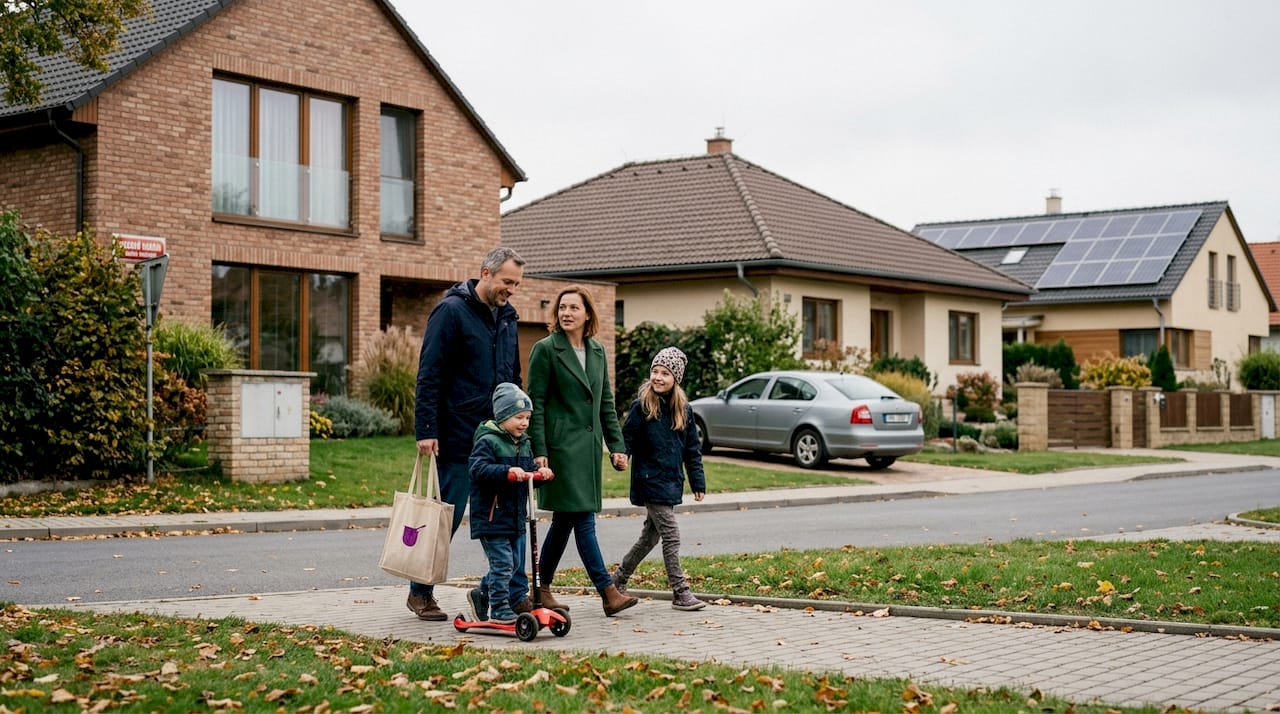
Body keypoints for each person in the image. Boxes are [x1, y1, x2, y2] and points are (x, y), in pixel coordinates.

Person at [410, 246, 529, 621]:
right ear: (486, 273)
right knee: (445, 518)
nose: (511, 289)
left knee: (509, 518)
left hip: (500, 438)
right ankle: (420, 592)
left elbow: (513, 378)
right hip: (459, 436)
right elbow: (429, 373)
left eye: (516, 284)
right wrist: (426, 429)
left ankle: (507, 594)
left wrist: (520, 427)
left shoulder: (508, 317)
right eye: (507, 281)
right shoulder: (451, 311)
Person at [527, 285, 639, 617]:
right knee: (584, 519)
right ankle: (608, 591)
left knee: (564, 522)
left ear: (587, 314)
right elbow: (536, 403)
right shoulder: (546, 350)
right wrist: (539, 449)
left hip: (588, 452)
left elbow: (605, 403)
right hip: (561, 449)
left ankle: (541, 589)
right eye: (562, 308)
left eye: (574, 308)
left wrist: (617, 446)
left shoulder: (597, 351)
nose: (567, 313)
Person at [612, 347, 708, 611]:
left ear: (675, 378)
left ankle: (617, 580)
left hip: (671, 481)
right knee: (671, 535)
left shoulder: (684, 410)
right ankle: (680, 591)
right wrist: (621, 456)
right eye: (655, 371)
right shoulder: (642, 406)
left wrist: (698, 482)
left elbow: (692, 450)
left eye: (665, 373)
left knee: (650, 538)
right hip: (649, 480)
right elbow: (627, 439)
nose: (658, 377)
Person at [466, 383, 548, 624]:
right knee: (503, 564)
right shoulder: (488, 441)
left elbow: (527, 474)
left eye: (527, 418)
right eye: (519, 417)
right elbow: (477, 469)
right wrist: (506, 471)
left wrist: (539, 475)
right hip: (492, 517)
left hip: (515, 517)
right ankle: (500, 608)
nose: (524, 423)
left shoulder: (523, 443)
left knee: (513, 565)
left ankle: (482, 592)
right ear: (502, 416)